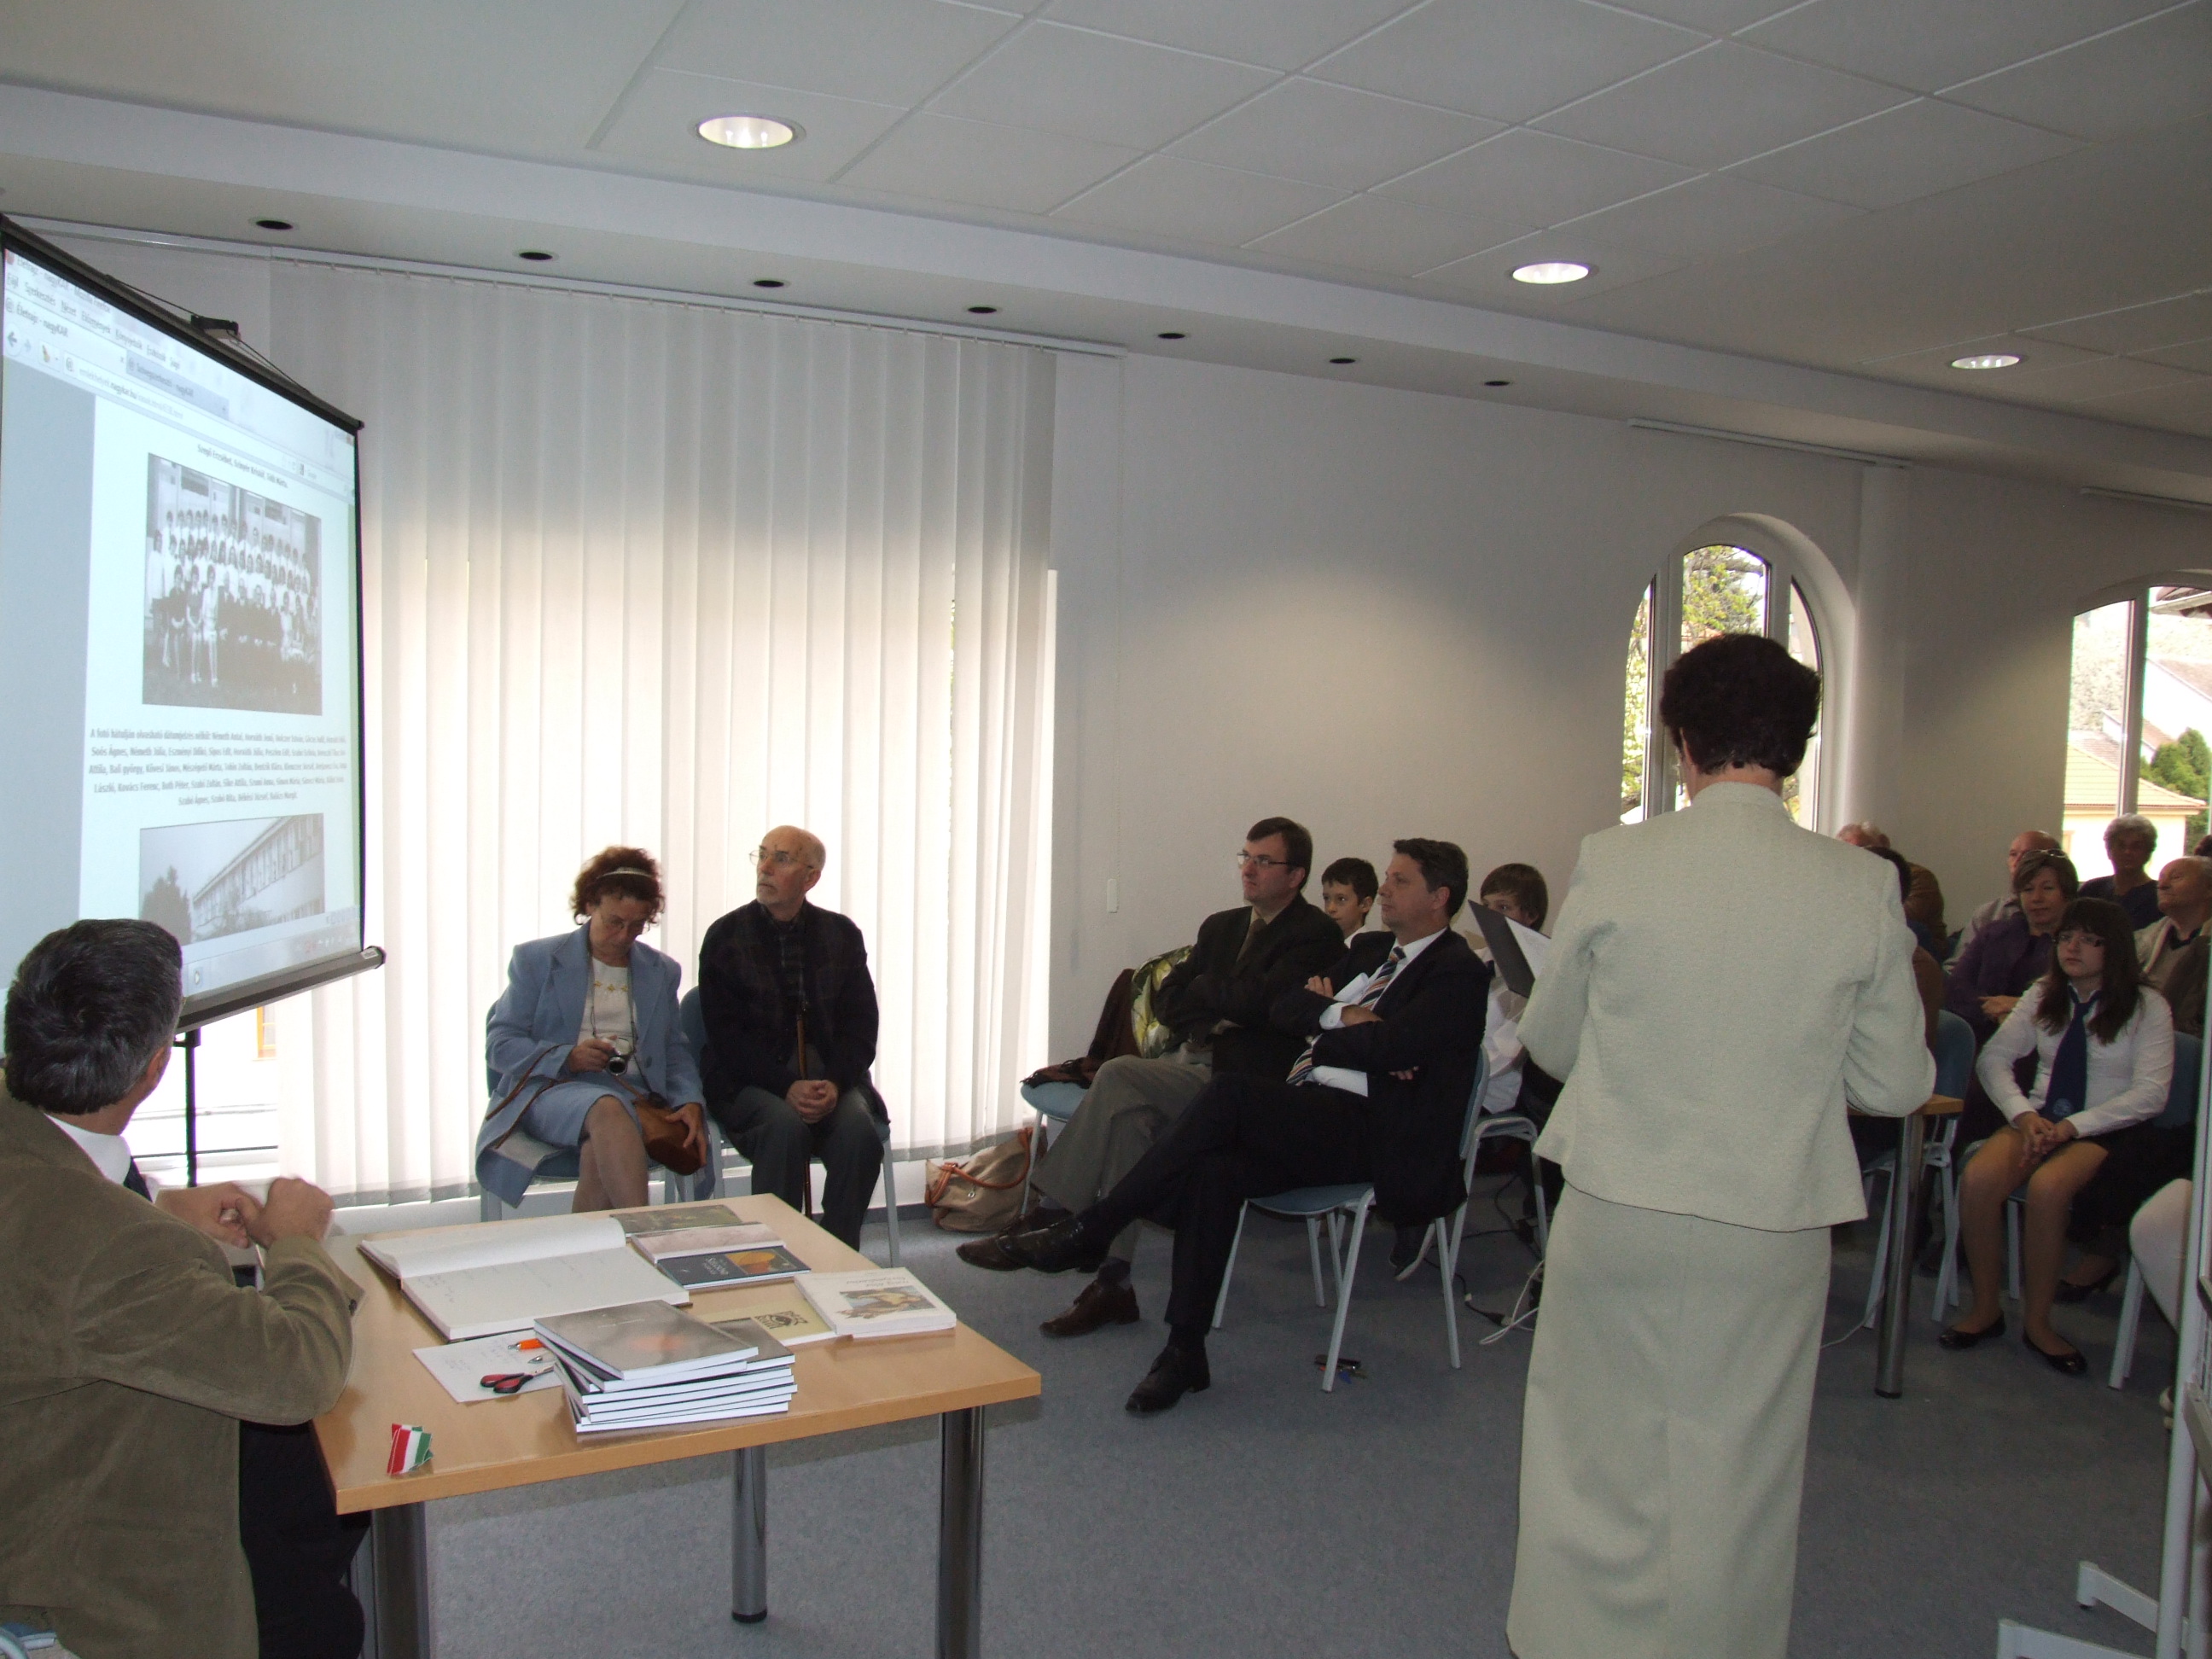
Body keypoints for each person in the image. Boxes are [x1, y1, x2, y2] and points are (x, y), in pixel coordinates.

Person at [1505, 634, 1932, 1659]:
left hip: (1620, 1202)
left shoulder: (1617, 859)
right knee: (1740, 1460)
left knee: (1590, 1444)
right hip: (1771, 1219)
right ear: (1796, 746)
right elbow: (1895, 1084)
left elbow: (1551, 1041)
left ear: (1682, 742)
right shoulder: (1861, 885)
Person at [1004, 840, 1490, 1413]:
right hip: (1313, 1109)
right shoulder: (1371, 950)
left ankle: (1097, 1224)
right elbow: (1287, 1010)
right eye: (1387, 876)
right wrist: (1343, 1017)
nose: (1383, 889)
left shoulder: (1457, 973)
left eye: (1400, 881)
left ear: (1439, 897)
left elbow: (1391, 1048)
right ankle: (1184, 1350)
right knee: (1214, 1171)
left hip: (1375, 1132)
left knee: (1230, 1094)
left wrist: (1334, 1032)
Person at [0, 920, 359, 1659]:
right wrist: (295, 1240)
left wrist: (155, 1207)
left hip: (40, 1453)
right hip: (83, 1576)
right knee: (320, 1519)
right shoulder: (112, 1247)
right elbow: (298, 1374)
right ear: (156, 1066)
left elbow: (52, 1252)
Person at [960, 818, 1344, 1339]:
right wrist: (1221, 1006)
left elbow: (1268, 1007)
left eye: (1263, 861)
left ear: (1295, 875)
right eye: (1245, 857)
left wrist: (1213, 995)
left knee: (1119, 1072)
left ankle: (1052, 1212)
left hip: (1249, 1086)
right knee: (1128, 1123)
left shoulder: (1316, 934)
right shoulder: (1221, 926)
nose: (1248, 870)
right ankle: (1112, 1285)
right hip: (1194, 1066)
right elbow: (1169, 998)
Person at [1943, 899, 2174, 1372]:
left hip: (2108, 1126)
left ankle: (2039, 1323)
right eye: (2067, 937)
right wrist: (2022, 1114)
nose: (2073, 948)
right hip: (2042, 1117)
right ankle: (1986, 1309)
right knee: (1979, 1178)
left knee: (2049, 1189)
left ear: (2115, 948)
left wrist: (2075, 1127)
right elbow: (1994, 1059)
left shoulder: (2147, 1005)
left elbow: (2151, 1094)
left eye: (2090, 940)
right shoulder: (2043, 993)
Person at [479, 848, 707, 1213]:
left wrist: (690, 1100)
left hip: (636, 1096)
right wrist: (566, 1056)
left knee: (598, 1153)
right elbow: (500, 1045)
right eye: (614, 922)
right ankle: (642, 1228)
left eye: (637, 926)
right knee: (607, 1109)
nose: (624, 936)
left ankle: (595, 1244)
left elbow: (674, 1051)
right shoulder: (537, 960)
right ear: (589, 905)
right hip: (552, 1089)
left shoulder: (661, 970)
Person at [698, 827, 887, 1248]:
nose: (764, 868)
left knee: (859, 1135)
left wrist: (835, 1083)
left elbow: (861, 1028)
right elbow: (725, 1038)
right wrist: (786, 1085)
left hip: (828, 1078)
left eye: (781, 859)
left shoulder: (841, 934)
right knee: (785, 1129)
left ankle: (837, 1253)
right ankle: (775, 1252)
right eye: (762, 855)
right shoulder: (726, 936)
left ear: (810, 878)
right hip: (749, 1080)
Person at [1947, 848, 2077, 1045]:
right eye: (2028, 890)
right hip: (1982, 1032)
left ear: (2067, 894)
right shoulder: (1994, 933)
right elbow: (1958, 987)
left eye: (2048, 888)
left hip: (2046, 1041)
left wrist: (2018, 1007)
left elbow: (2073, 1000)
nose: (2037, 898)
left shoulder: (2077, 944)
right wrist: (1995, 1010)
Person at [1472, 862, 1551, 1120]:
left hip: (1490, 1093)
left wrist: (1452, 1071)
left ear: (1530, 916)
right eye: (1486, 906)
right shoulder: (1473, 960)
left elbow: (1507, 1054)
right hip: (1453, 1077)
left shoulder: (1536, 974)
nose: (1490, 916)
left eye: (1503, 907)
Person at [1955, 829, 2062, 958]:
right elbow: (1957, 964)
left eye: (2028, 854)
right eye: (2013, 854)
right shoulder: (1989, 914)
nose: (2017, 862)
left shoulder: (2071, 916)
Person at [2138, 857, 2212, 991]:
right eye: (2160, 879)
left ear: (2209, 888)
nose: (2162, 885)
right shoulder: (2143, 940)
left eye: (2176, 877)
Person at [2081, 814, 2164, 930]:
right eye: (2121, 846)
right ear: (2109, 851)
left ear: (2148, 853)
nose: (2127, 852)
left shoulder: (2160, 895)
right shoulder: (2092, 890)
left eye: (2136, 847)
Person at [1318, 854, 1377, 940]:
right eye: (1326, 898)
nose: (1330, 909)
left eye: (1341, 899)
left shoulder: (1371, 947)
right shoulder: (1319, 944)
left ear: (1365, 904)